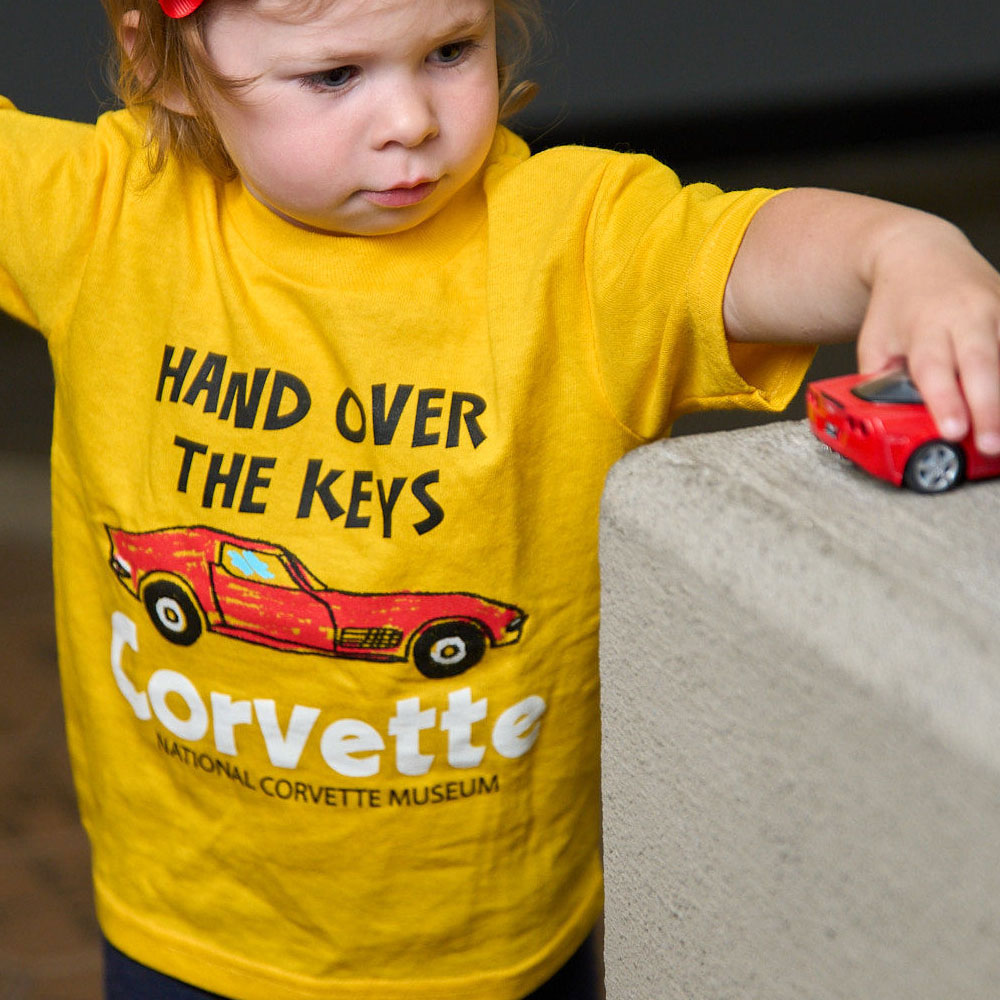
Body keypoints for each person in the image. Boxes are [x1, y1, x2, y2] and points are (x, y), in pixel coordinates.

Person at [2, 0, 999, 998]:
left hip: (497, 948)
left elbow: (748, 244)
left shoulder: (571, 241)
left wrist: (904, 252)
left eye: (448, 51)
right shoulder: (104, 212)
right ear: (162, 62)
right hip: (187, 935)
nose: (410, 121)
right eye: (333, 77)